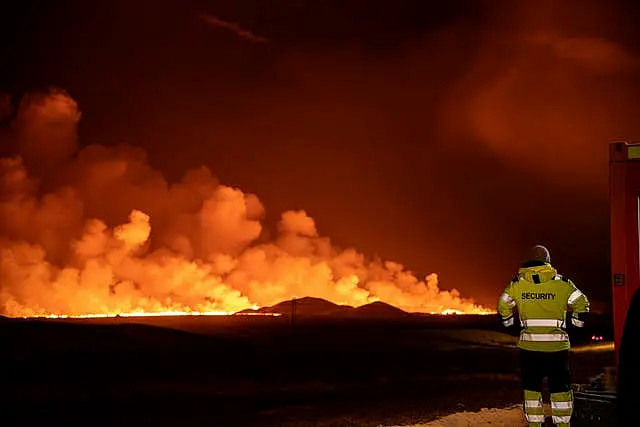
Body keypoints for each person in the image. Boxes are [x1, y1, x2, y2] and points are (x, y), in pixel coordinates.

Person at [497, 245, 590, 427]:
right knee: (560, 389)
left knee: (531, 390)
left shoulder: (517, 284)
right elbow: (582, 303)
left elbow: (503, 304)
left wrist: (508, 322)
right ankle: (562, 425)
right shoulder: (562, 284)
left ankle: (535, 424)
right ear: (548, 261)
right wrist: (577, 324)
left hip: (529, 349)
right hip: (557, 349)